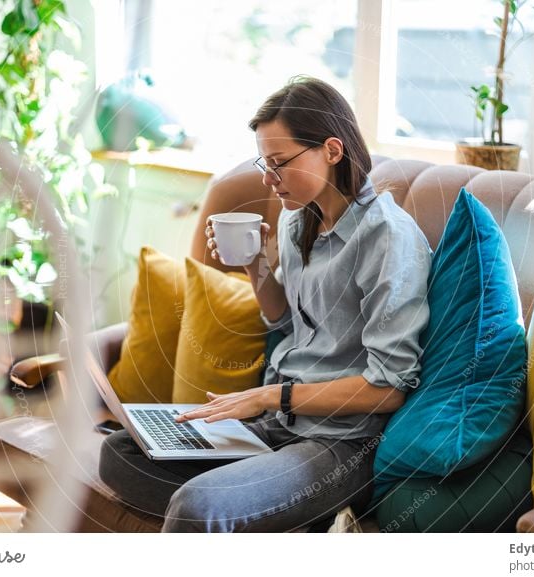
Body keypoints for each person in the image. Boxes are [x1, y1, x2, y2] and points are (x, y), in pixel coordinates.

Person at [99, 76, 432, 532]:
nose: (267, 179)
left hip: (340, 444)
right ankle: (273, 518)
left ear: (332, 151)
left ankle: (263, 510)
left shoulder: (387, 238)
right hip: (277, 425)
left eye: (279, 163)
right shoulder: (298, 222)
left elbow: (389, 387)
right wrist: (256, 262)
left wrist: (268, 395)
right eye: (264, 162)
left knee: (198, 507)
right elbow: (284, 320)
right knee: (120, 452)